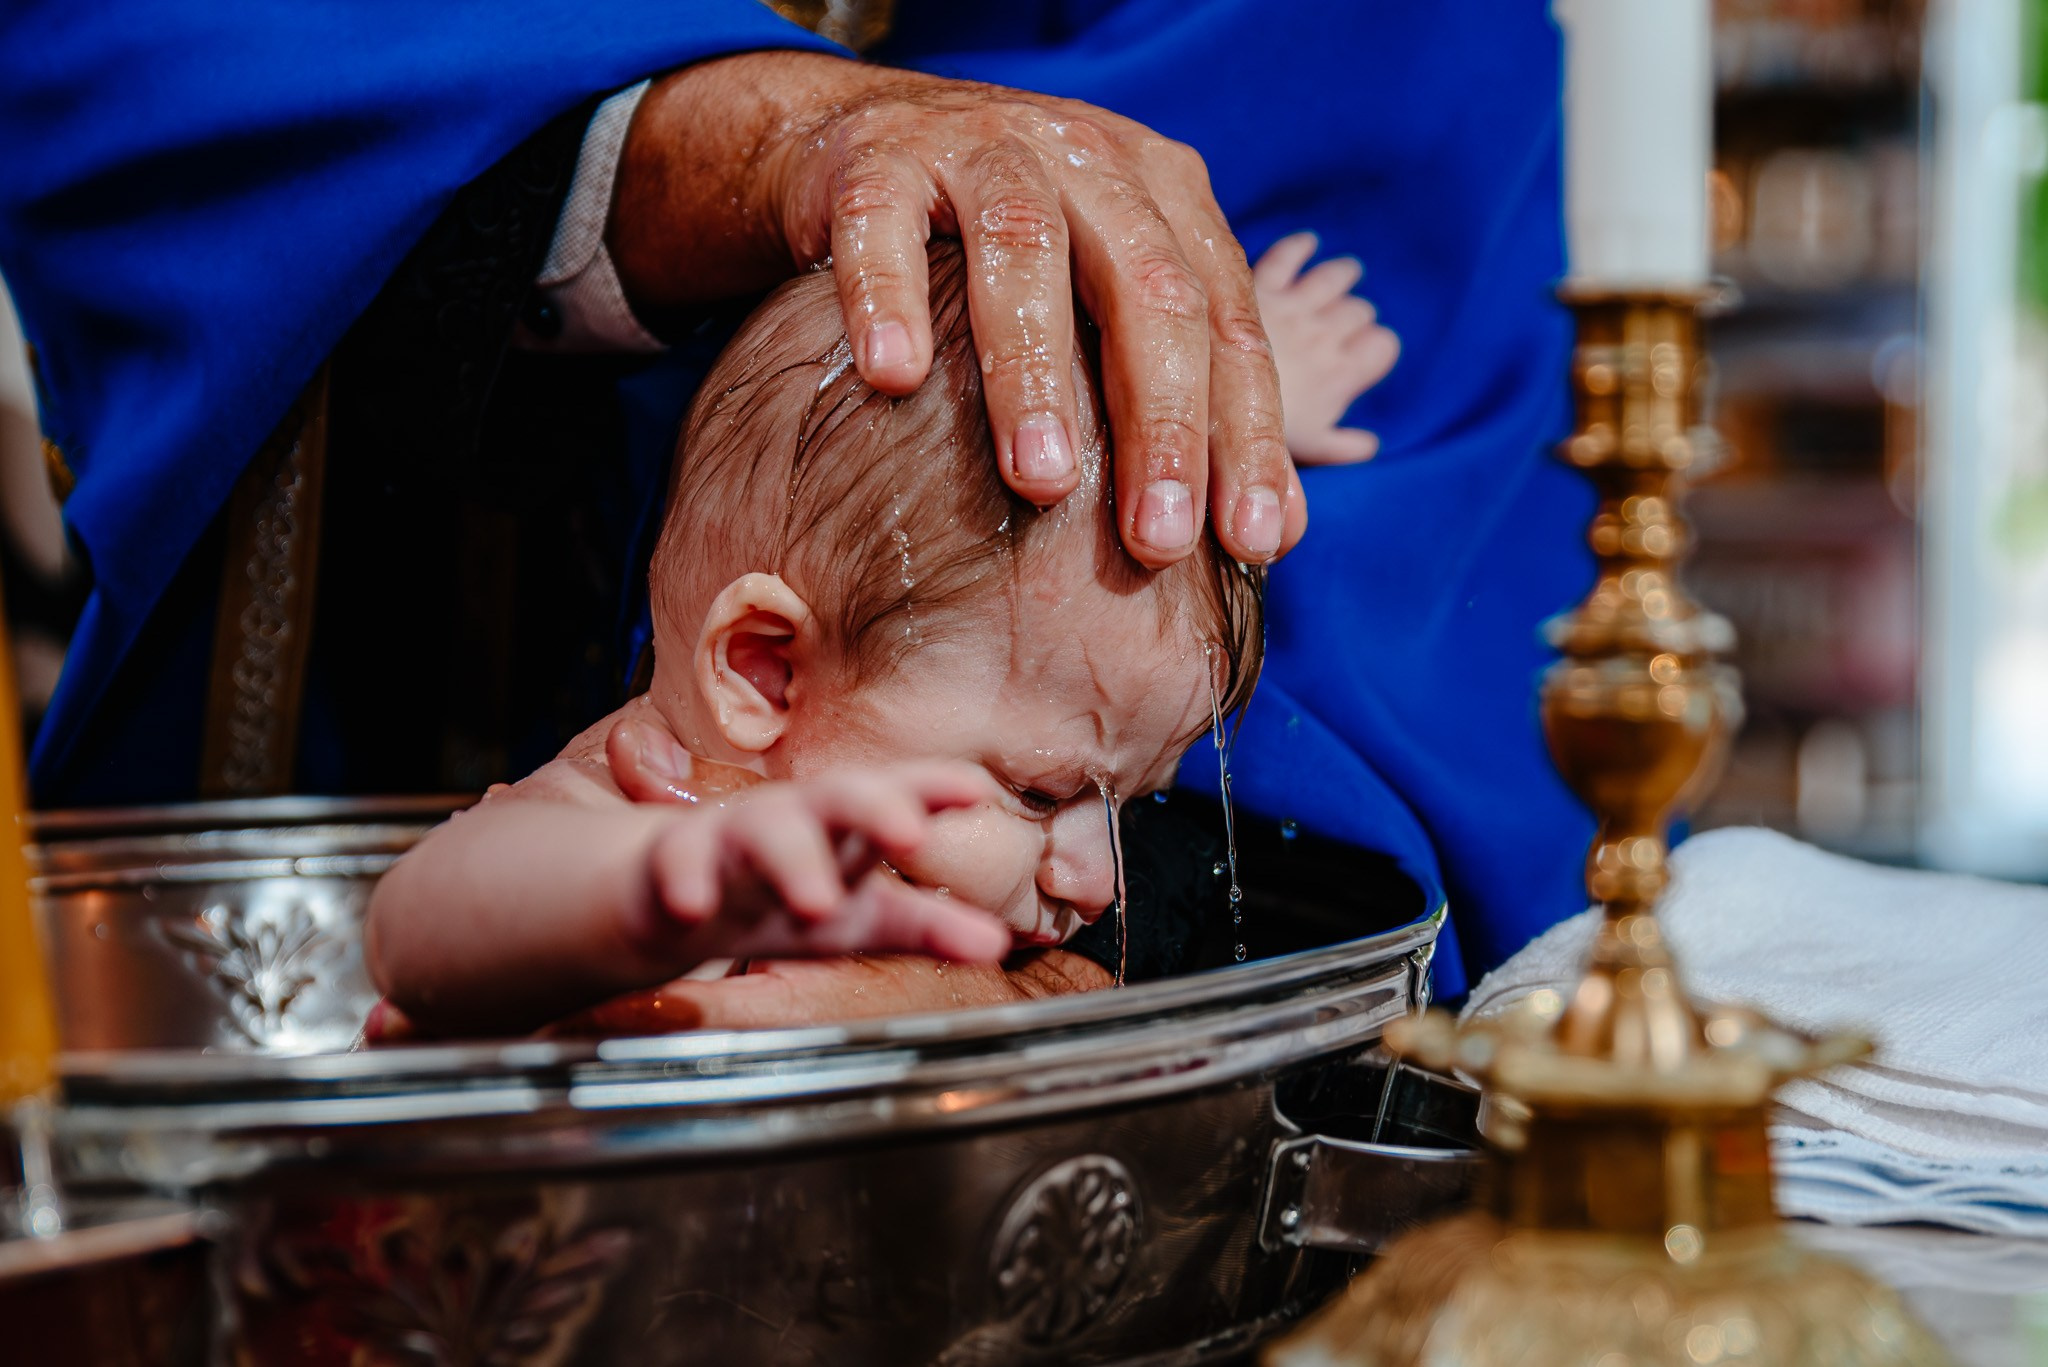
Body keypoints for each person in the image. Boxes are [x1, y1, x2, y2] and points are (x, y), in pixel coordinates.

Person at [369, 230, 1412, 1037]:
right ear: (766, 671)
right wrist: (655, 887)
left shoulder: (965, 885)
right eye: (1044, 795)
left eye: (1125, 804)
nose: (1097, 879)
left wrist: (1206, 418)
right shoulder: (640, 807)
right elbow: (413, 930)